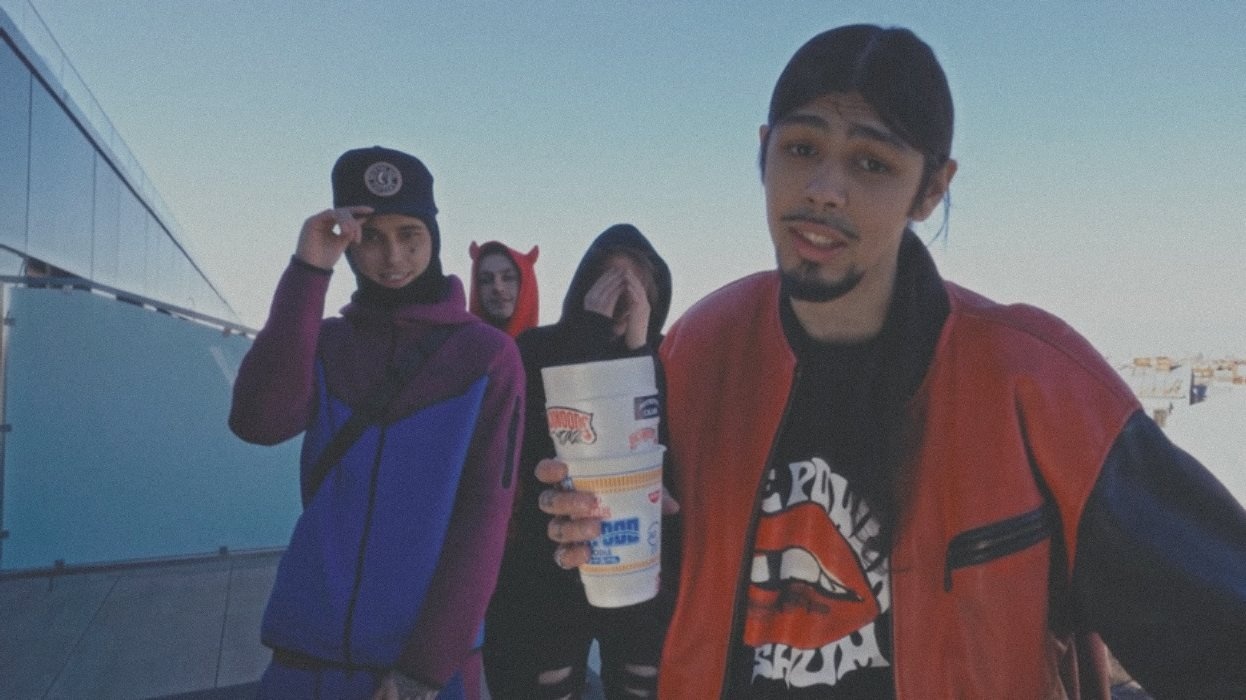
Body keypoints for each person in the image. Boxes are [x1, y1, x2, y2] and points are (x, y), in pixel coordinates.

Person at [536, 25, 1246, 698]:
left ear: (932, 188)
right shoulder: (702, 350)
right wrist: (599, 529)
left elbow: (1220, 629)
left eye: (872, 163)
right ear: (763, 152)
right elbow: (677, 600)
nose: (824, 188)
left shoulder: (1034, 380)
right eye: (802, 148)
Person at [230, 146, 524, 700]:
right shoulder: (328, 343)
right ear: (349, 243)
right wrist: (309, 268)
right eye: (371, 238)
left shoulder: (487, 356)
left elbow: (485, 516)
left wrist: (425, 669)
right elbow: (258, 422)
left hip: (422, 667)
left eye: (410, 235)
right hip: (305, 649)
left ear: (434, 235)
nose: (393, 257)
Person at [483, 224, 673, 699]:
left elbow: (662, 444)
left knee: (640, 680)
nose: (622, 300)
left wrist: (638, 350)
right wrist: (589, 333)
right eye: (609, 285)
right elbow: (535, 444)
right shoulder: (537, 349)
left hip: (638, 567)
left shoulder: (665, 358)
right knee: (548, 683)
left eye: (636, 291)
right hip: (550, 566)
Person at [468, 240, 540, 338]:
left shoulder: (550, 346)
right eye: (486, 280)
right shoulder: (457, 345)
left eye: (508, 278)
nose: (498, 288)